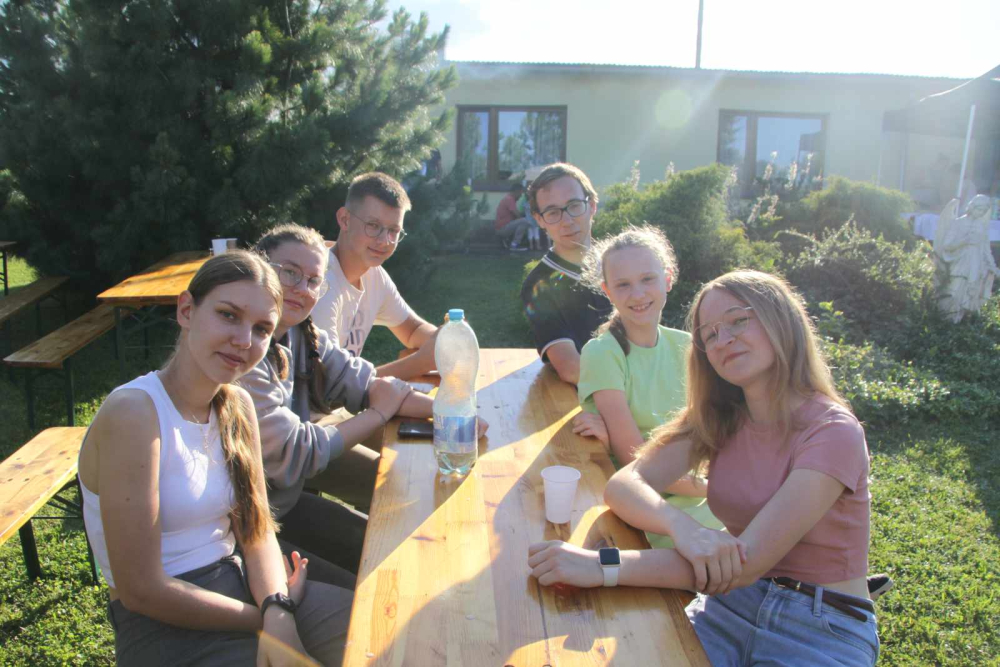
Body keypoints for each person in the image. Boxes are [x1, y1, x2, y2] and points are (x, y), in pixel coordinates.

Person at [528, 270, 880, 667]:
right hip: (725, 608)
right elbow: (625, 483)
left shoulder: (832, 431)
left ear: (780, 320)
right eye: (709, 335)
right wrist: (684, 527)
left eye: (738, 320)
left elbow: (743, 565)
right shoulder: (720, 417)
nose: (723, 339)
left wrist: (601, 565)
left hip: (820, 627)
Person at [78, 250, 351, 666]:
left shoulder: (237, 405)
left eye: (261, 329)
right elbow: (141, 590)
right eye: (228, 315)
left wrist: (277, 605)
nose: (244, 341)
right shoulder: (134, 413)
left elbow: (256, 532)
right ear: (186, 310)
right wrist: (270, 618)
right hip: (163, 626)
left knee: (381, 634)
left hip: (242, 584)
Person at [242, 223, 452, 586]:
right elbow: (296, 453)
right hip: (244, 525)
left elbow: (366, 382)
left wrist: (451, 413)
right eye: (289, 273)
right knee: (366, 583)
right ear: (258, 270)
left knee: (384, 542)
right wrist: (379, 413)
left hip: (283, 501)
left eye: (314, 281)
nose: (302, 288)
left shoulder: (304, 334)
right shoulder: (243, 352)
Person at [571, 225, 722, 547]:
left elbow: (714, 430)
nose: (637, 294)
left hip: (706, 489)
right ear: (607, 291)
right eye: (623, 284)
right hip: (650, 503)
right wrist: (719, 488)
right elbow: (635, 462)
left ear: (668, 279)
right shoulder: (603, 353)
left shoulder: (688, 346)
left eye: (647, 279)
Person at [312, 172, 441, 380]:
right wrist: (419, 363)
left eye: (394, 231)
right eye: (373, 225)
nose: (384, 240)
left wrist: (445, 340)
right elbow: (331, 384)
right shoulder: (319, 283)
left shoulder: (373, 275)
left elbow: (412, 330)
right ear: (344, 219)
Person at [520, 163, 613, 384]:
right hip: (584, 400)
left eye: (574, 205)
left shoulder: (619, 266)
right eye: (553, 212)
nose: (567, 220)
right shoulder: (539, 287)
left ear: (592, 205)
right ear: (539, 219)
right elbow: (571, 369)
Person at [934, 194, 1000, 322]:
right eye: (979, 209)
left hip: (975, 265)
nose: (981, 213)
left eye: (983, 211)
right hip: (959, 262)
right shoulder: (958, 223)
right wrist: (964, 241)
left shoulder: (982, 226)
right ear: (972, 207)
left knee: (969, 294)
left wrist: (993, 267)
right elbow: (947, 245)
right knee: (953, 292)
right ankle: (947, 320)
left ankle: (960, 322)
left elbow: (986, 250)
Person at [495, 181, 534, 251]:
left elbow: (516, 216)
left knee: (524, 221)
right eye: (520, 193)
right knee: (525, 221)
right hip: (502, 229)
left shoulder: (508, 198)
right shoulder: (509, 199)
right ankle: (514, 245)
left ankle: (508, 241)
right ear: (516, 191)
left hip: (503, 227)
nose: (521, 196)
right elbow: (518, 215)